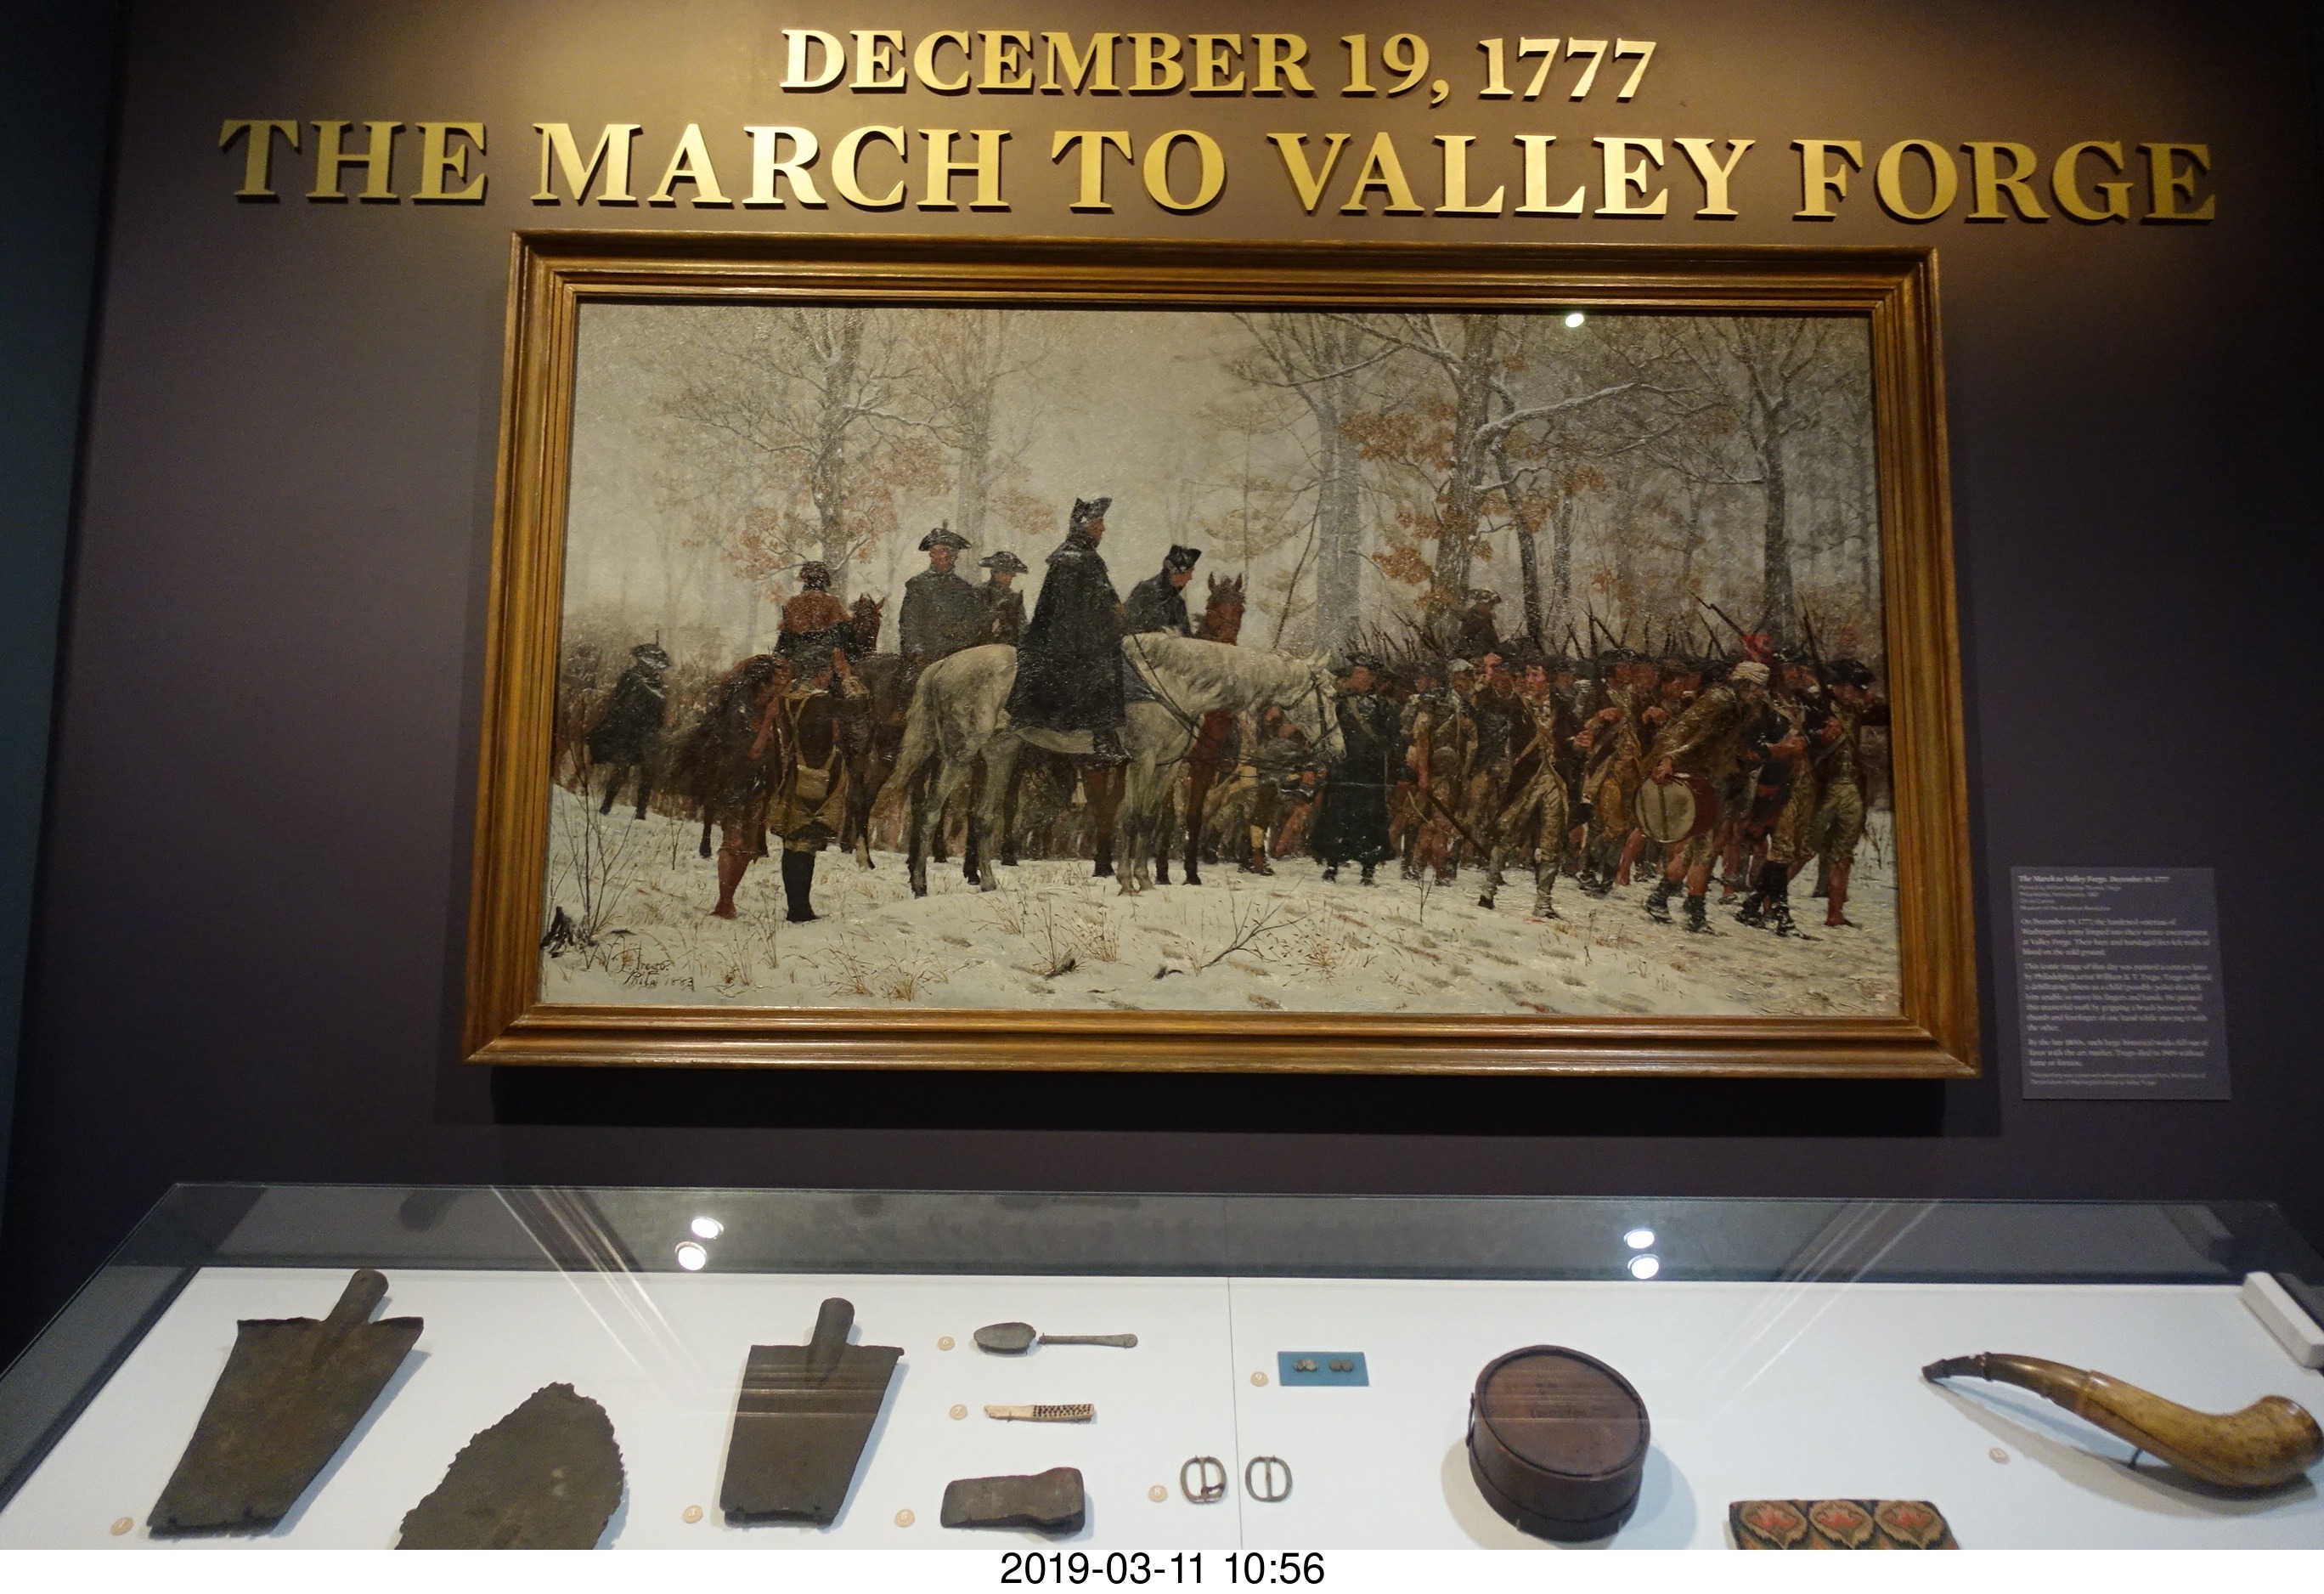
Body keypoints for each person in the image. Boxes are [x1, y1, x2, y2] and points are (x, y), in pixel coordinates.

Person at [1642, 658, 1772, 933]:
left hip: (1717, 780)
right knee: (1703, 846)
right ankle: (1696, 912)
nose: (1761, 693)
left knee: (1699, 846)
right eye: (1757, 687)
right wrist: (1668, 760)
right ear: (1744, 684)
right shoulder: (1720, 701)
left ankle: (1660, 898)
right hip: (1697, 776)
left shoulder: (1741, 705)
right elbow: (1686, 731)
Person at [1007, 495, 1128, 764]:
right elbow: (1065, 610)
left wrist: (1117, 613)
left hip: (1083, 634)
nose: (1103, 528)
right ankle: (1101, 737)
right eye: (1098, 523)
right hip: (1064, 639)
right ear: (1084, 527)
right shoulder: (1070, 559)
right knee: (1100, 668)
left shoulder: (1088, 558)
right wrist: (1099, 627)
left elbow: (1102, 600)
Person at [765, 648, 869, 923]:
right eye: (828, 674)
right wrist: (848, 677)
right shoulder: (819, 701)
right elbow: (859, 706)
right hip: (819, 775)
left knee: (793, 842)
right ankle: (800, 910)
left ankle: (796, 907)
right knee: (806, 843)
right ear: (821, 675)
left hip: (795, 772)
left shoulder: (788, 697)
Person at [1479, 651, 1571, 919]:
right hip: (1525, 779)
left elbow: (1571, 740)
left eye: (1535, 675)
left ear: (1548, 679)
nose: (1529, 680)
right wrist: (1488, 675)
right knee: (1508, 832)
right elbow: (1486, 704)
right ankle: (1488, 892)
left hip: (1554, 781)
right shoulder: (1516, 704)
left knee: (1552, 839)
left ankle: (1543, 902)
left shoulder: (1562, 707)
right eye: (1527, 675)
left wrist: (1579, 742)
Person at [1311, 656, 1396, 885]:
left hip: (1370, 773)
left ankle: (1368, 870)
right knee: (1336, 817)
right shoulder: (1339, 702)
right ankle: (1332, 865)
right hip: (1343, 769)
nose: (1356, 677)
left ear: (1373, 678)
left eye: (1362, 673)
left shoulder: (1383, 705)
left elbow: (1392, 738)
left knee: (1370, 820)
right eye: (1356, 672)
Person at [585, 642, 669, 818]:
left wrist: (655, 720)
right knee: (621, 770)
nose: (653, 668)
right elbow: (621, 701)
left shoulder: (657, 682)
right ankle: (606, 806)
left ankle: (641, 812)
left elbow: (660, 710)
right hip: (629, 729)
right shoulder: (630, 676)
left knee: (648, 772)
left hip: (648, 732)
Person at [898, 524, 984, 674]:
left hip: (958, 655)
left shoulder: (964, 588)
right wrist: (917, 651)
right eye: (934, 552)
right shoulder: (918, 584)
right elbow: (909, 623)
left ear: (954, 555)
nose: (938, 556)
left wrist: (957, 633)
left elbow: (972, 622)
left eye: (943, 551)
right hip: (925, 656)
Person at [777, 562, 853, 669]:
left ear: (806, 580)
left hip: (798, 652)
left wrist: (780, 655)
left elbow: (786, 633)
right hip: (827, 652)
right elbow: (842, 627)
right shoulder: (831, 601)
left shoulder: (794, 602)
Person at [1124, 545, 1202, 636]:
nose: (1190, 577)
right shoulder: (1146, 590)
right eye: (1189, 572)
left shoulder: (1178, 602)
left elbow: (1187, 637)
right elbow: (1129, 625)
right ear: (1175, 572)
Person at [978, 550, 1029, 645]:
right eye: (1005, 574)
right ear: (994, 573)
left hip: (1008, 646)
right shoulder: (980, 592)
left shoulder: (1013, 598)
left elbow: (1022, 625)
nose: (1009, 578)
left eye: (1011, 575)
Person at [1453, 588, 1503, 662]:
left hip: (1487, 652)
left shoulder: (1487, 615)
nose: (1490, 607)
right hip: (1473, 652)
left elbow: (1493, 636)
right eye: (1487, 605)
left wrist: (1496, 649)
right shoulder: (1471, 616)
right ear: (1479, 603)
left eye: (1491, 605)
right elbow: (1464, 638)